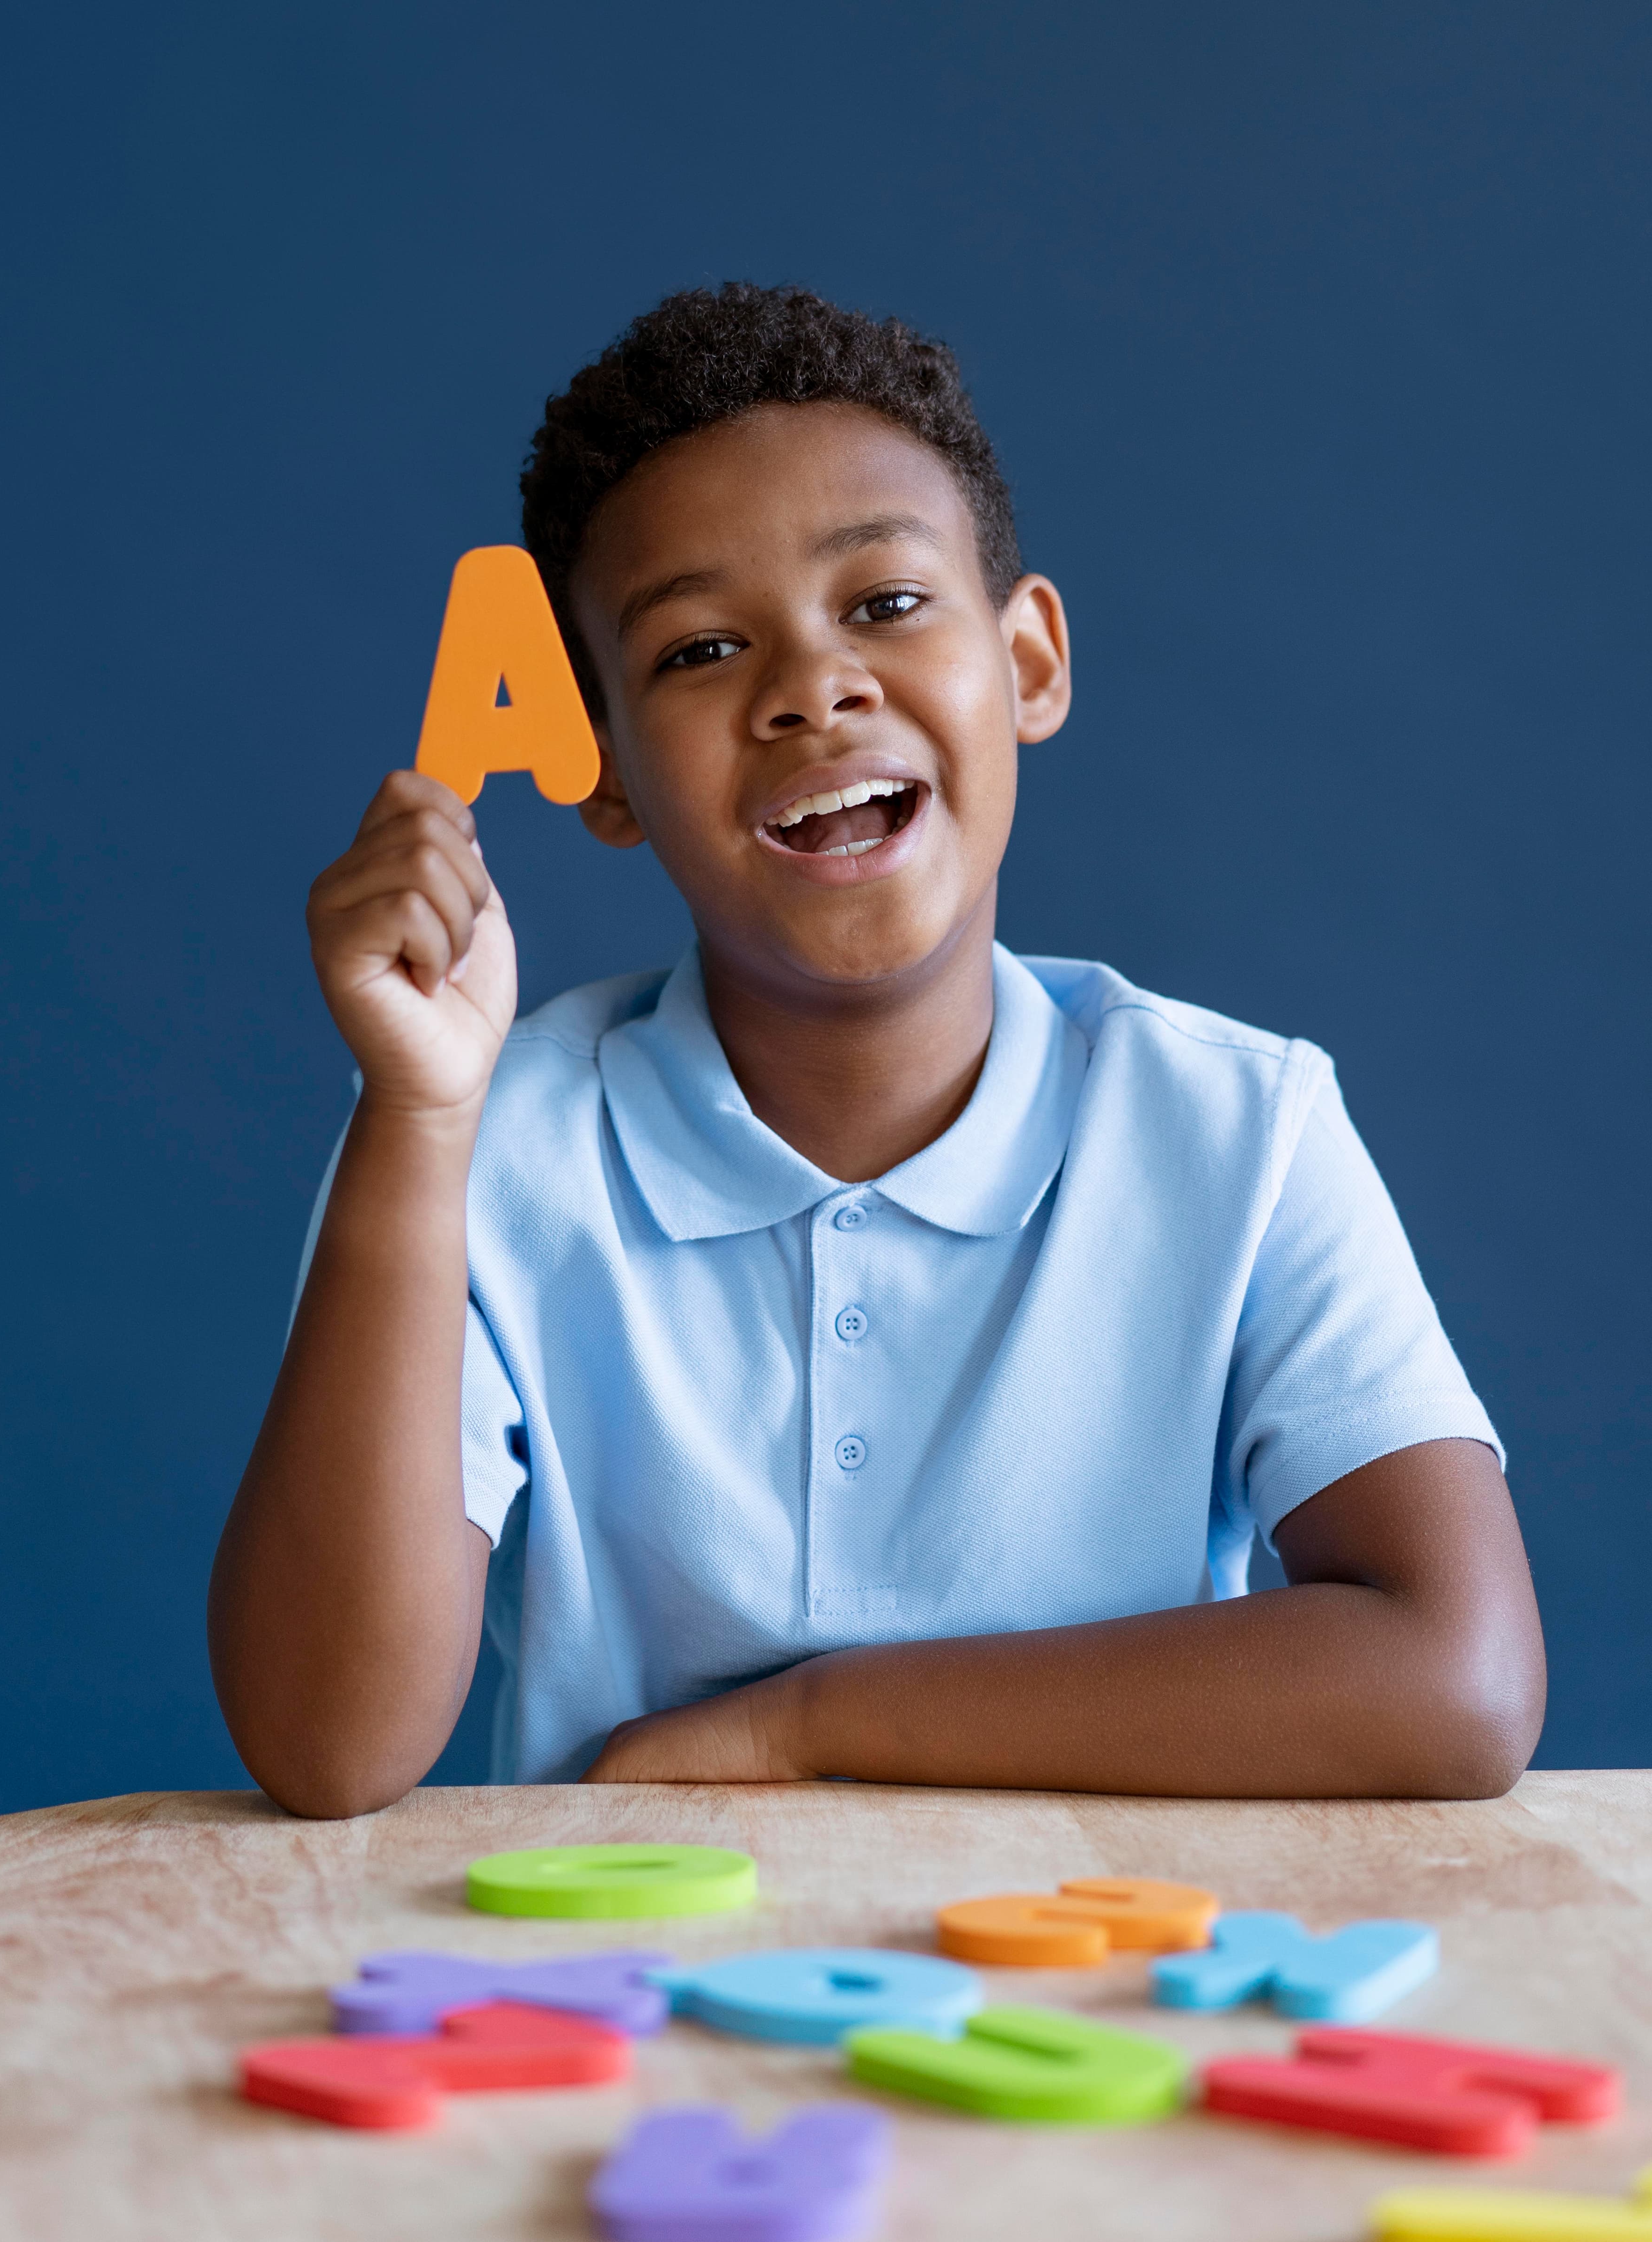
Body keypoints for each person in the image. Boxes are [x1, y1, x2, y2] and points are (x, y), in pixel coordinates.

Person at [208, 283, 1545, 1818]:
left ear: (1029, 659)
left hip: (1120, 2012)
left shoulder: (1243, 1129)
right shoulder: (477, 1140)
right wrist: (416, 1119)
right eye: (701, 650)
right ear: (604, 777)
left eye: (887, 604)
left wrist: (809, 1722)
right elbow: (326, 1747)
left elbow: (1458, 1676)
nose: (810, 688)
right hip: (639, 2006)